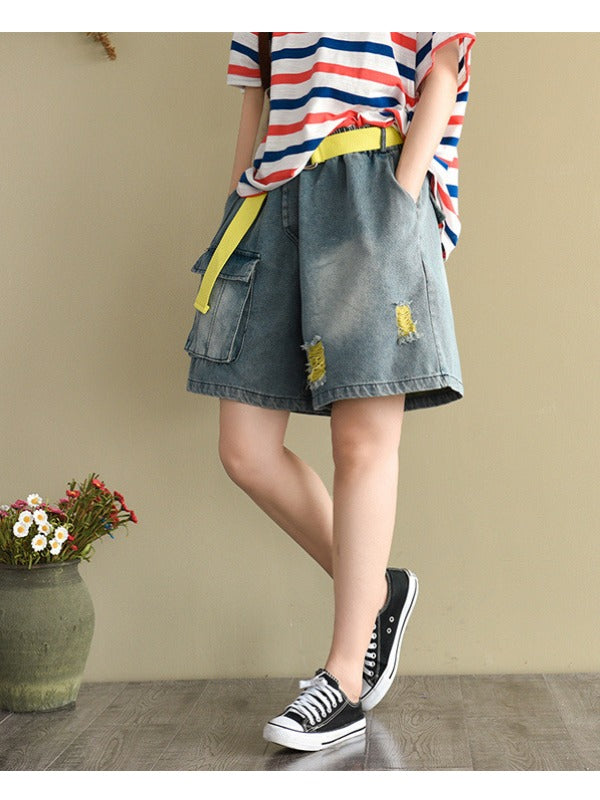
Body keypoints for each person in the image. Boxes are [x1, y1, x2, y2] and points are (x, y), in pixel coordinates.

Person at [184, 31, 476, 752]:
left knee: (362, 443)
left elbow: (443, 70)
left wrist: (399, 194)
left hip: (370, 180)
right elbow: (257, 99)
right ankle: (379, 592)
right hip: (270, 199)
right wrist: (237, 201)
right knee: (245, 450)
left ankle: (343, 681)